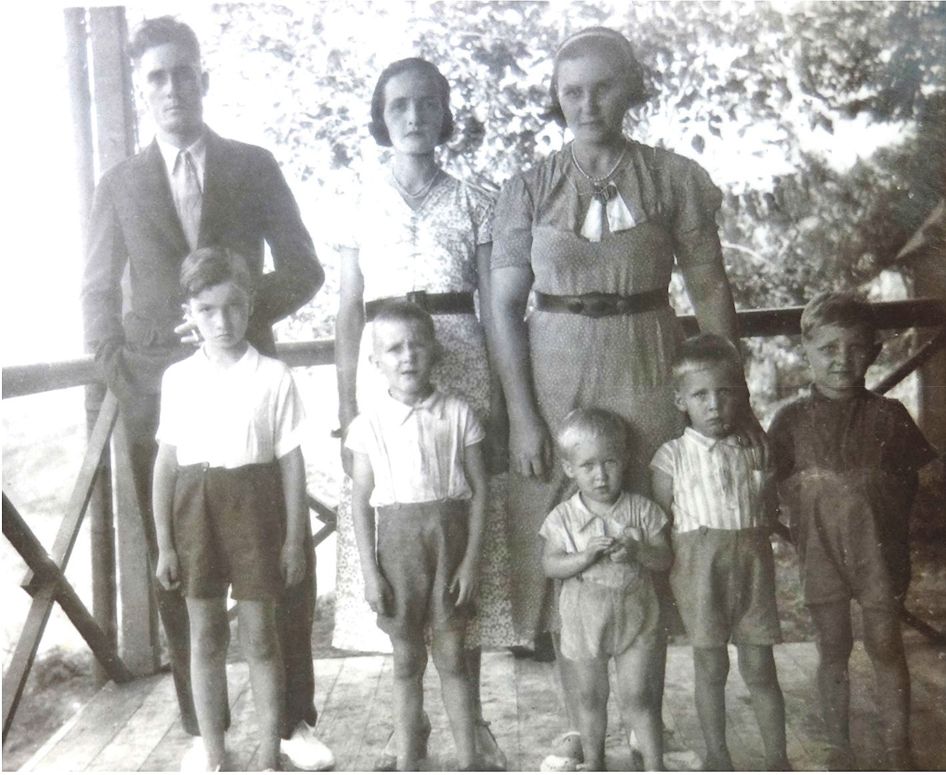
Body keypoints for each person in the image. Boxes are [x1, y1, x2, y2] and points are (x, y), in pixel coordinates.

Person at [489, 25, 751, 770]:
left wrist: (729, 389)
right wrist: (523, 413)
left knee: (649, 533)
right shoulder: (531, 185)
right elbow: (502, 306)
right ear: (556, 98)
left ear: (631, 88)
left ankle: (648, 725)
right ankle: (583, 727)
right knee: (569, 543)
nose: (587, 103)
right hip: (554, 367)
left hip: (648, 362)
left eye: (603, 86)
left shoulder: (673, 178)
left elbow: (709, 289)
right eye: (572, 90)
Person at [80, 17, 332, 770]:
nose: (170, 87)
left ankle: (293, 721)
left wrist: (237, 311)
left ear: (203, 78)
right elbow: (95, 288)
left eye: (182, 72)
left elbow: (305, 265)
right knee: (178, 559)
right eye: (154, 76)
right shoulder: (119, 184)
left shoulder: (251, 164)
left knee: (278, 551)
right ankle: (201, 729)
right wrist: (120, 368)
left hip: (251, 383)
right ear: (140, 88)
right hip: (163, 391)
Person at [334, 57, 514, 769]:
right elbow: (349, 310)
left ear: (445, 114)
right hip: (385, 365)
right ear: (382, 115)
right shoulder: (356, 201)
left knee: (460, 538)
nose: (414, 116)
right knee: (397, 543)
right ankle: (413, 735)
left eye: (428, 104)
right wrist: (348, 399)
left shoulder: (476, 198)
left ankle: (475, 727)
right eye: (399, 104)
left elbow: (495, 308)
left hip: (459, 358)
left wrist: (501, 400)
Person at [152, 247, 307, 771]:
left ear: (250, 305)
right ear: (190, 314)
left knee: (261, 636)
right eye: (207, 310)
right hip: (194, 511)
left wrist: (292, 539)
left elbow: (291, 463)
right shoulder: (178, 378)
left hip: (256, 510)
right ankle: (215, 752)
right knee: (207, 634)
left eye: (234, 307)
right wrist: (165, 544)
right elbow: (165, 466)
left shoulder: (273, 375)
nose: (222, 321)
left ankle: (268, 753)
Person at [768, 292, 938, 770]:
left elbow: (911, 489)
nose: (842, 360)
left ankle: (898, 746)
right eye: (828, 348)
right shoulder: (789, 421)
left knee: (886, 646)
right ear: (806, 350)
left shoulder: (891, 417)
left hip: (879, 556)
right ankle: (837, 745)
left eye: (855, 348)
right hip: (821, 556)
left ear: (875, 352)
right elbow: (771, 485)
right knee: (833, 650)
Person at [346, 302, 487, 771]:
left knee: (452, 658)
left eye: (417, 345)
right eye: (393, 349)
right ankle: (408, 761)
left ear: (435, 352)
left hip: (449, 546)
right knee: (406, 661)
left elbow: (481, 491)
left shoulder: (458, 413)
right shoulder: (368, 425)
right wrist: (370, 572)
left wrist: (469, 562)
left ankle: (468, 761)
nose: (407, 357)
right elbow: (360, 503)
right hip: (398, 553)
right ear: (376, 361)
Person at [650, 334, 788, 771]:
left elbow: (767, 512)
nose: (714, 405)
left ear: (742, 396)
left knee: (761, 667)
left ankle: (777, 758)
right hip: (699, 573)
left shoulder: (756, 452)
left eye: (726, 393)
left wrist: (766, 484)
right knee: (711, 668)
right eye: (700, 395)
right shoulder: (671, 458)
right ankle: (717, 756)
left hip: (751, 569)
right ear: (680, 400)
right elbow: (660, 525)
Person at [540, 409, 670, 772]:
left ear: (625, 461)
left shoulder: (642, 510)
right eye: (588, 466)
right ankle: (595, 763)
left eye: (610, 462)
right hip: (584, 620)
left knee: (639, 697)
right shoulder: (563, 517)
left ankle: (656, 765)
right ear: (569, 469)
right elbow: (550, 565)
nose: (600, 475)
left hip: (636, 617)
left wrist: (638, 551)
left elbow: (664, 559)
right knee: (590, 697)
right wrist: (584, 556)